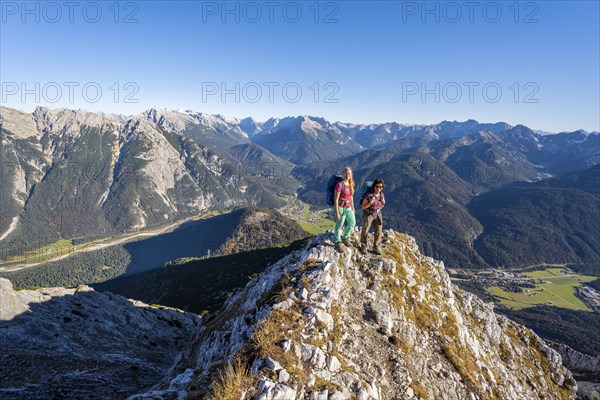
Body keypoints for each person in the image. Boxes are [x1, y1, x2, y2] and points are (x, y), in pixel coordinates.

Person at [360, 178, 385, 255]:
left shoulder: (381, 195)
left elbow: (381, 205)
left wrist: (383, 203)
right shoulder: (369, 195)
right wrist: (371, 202)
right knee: (365, 230)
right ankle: (363, 245)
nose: (379, 188)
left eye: (381, 187)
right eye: (377, 186)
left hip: (377, 213)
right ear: (374, 186)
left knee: (378, 231)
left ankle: (376, 246)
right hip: (368, 214)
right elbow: (363, 207)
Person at [333, 166, 356, 250]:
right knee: (340, 225)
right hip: (341, 207)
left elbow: (351, 197)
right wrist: (337, 212)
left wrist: (353, 207)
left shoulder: (351, 184)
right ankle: (337, 241)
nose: (347, 174)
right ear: (343, 174)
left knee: (352, 223)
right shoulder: (339, 185)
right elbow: (336, 199)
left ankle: (345, 237)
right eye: (346, 173)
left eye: (349, 173)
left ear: (351, 174)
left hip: (349, 207)